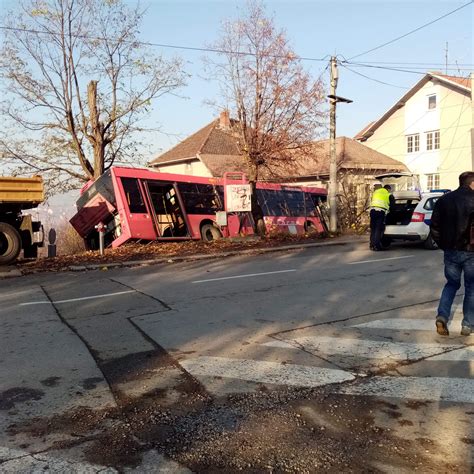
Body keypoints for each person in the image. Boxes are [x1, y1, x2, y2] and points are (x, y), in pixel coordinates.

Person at [430, 171, 474, 336]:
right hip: (471, 252)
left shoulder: (444, 199)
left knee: (451, 284)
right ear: (472, 183)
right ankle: (467, 325)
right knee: (471, 288)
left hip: (451, 251)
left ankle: (442, 316)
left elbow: (434, 226)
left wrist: (444, 245)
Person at [369, 184, 393, 251]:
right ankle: (377, 246)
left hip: (372, 211)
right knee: (378, 229)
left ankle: (372, 245)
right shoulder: (388, 195)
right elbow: (392, 207)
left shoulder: (376, 192)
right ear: (388, 189)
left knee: (373, 228)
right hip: (380, 212)